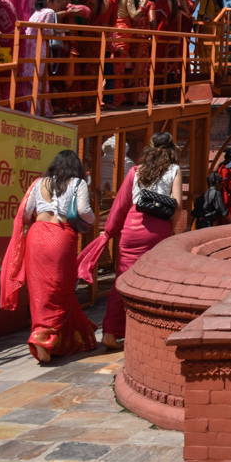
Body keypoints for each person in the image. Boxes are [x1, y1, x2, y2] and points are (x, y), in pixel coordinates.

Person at [1, 149, 98, 361]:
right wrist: (92, 221)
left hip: (36, 238)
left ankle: (48, 336)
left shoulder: (39, 183)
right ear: (76, 167)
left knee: (41, 292)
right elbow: (83, 210)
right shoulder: (78, 183)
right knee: (62, 290)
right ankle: (42, 337)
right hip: (61, 238)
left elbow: (25, 214)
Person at [95, 132, 182, 349]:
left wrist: (110, 231)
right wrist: (168, 230)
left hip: (131, 229)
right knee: (156, 281)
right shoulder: (173, 170)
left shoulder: (135, 171)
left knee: (123, 280)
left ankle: (110, 333)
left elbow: (121, 204)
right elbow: (178, 206)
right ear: (171, 149)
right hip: (158, 228)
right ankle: (147, 331)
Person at [195, 0, 225, 68]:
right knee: (206, 53)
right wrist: (205, 17)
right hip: (206, 30)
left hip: (217, 32)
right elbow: (201, 11)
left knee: (215, 54)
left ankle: (214, 72)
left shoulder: (220, 3)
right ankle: (206, 73)